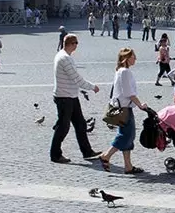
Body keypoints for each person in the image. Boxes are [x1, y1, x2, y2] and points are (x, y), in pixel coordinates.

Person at [49, 35, 100, 165]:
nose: (77, 45)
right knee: (63, 127)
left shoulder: (63, 55)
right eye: (76, 43)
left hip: (71, 96)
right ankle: (55, 154)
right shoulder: (64, 58)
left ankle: (87, 152)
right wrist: (92, 87)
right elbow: (76, 79)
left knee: (81, 124)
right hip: (64, 97)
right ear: (71, 44)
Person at [98, 47, 149, 175]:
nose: (135, 58)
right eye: (133, 56)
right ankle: (106, 155)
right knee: (127, 135)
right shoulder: (125, 72)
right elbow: (129, 92)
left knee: (127, 136)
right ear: (127, 58)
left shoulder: (119, 71)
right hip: (125, 109)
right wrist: (140, 105)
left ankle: (128, 166)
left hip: (122, 107)